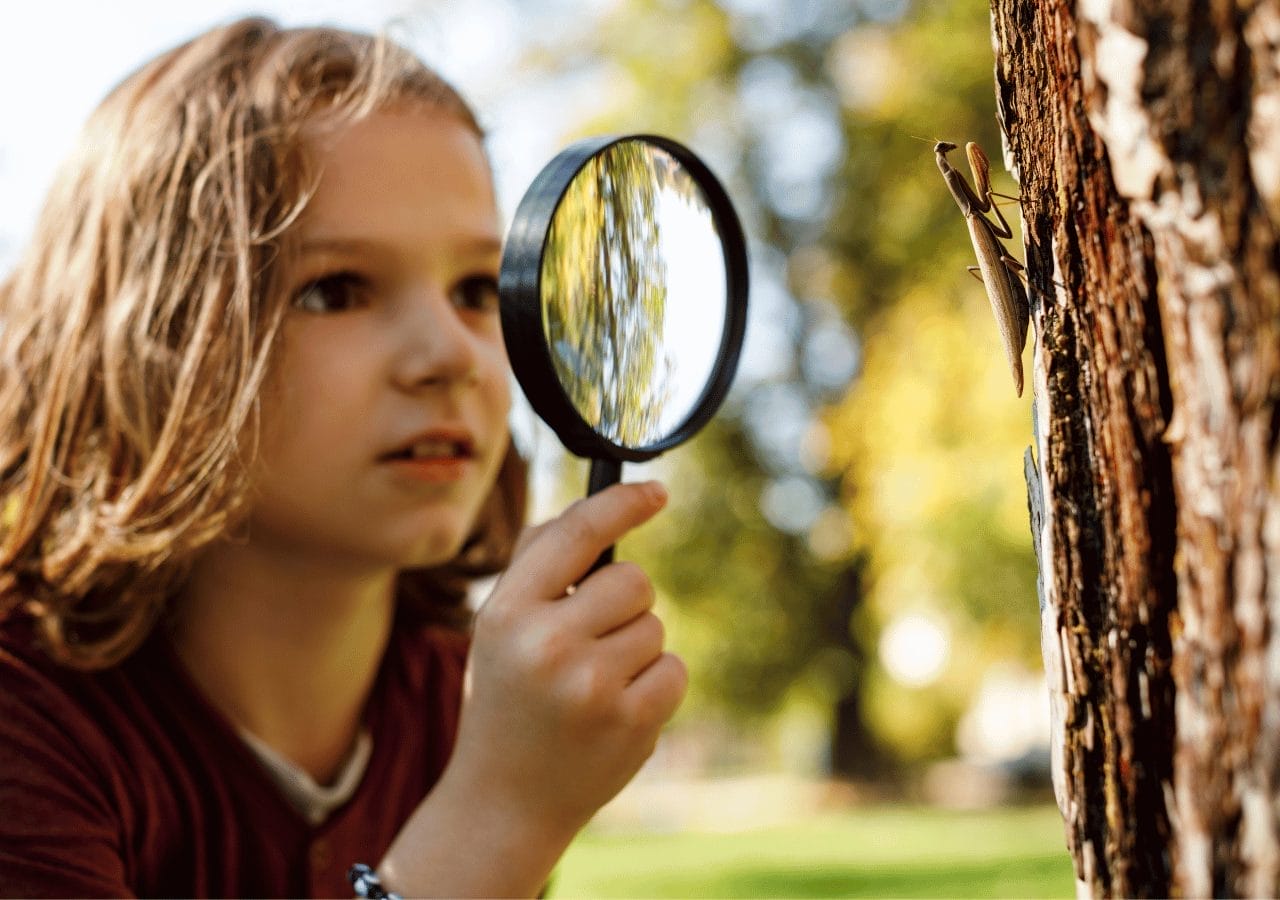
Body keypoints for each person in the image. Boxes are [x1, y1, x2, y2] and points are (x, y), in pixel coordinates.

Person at [0, 17, 687, 898]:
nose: (452, 356)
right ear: (148, 345)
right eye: (337, 289)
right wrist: (494, 823)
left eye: (478, 287)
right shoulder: (28, 720)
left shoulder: (470, 710)